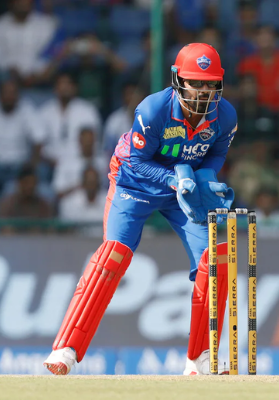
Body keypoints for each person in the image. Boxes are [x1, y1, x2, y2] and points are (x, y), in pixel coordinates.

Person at [43, 43, 237, 376]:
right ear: (178, 80)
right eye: (195, 83)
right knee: (113, 254)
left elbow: (216, 154)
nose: (203, 92)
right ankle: (66, 349)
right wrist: (173, 179)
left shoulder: (226, 116)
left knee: (214, 260)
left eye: (210, 84)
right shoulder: (153, 109)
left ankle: (201, 358)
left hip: (183, 190)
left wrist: (205, 178)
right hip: (135, 183)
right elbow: (137, 160)